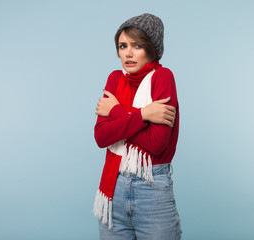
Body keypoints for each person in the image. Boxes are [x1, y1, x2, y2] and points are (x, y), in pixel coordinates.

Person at [92, 13, 182, 240]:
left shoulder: (163, 77)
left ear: (152, 49)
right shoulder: (114, 79)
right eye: (123, 46)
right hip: (113, 188)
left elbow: (156, 144)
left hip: (151, 189)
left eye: (137, 45)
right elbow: (102, 137)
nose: (128, 53)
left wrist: (116, 112)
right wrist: (144, 115)